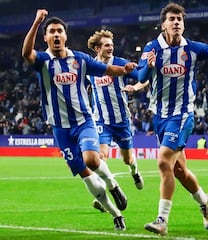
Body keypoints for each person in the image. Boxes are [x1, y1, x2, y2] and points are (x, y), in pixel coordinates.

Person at [21, 9, 138, 231]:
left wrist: (125, 69)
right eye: (51, 32)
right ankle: (116, 214)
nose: (56, 35)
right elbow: (27, 53)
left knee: (93, 161)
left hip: (84, 122)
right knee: (86, 176)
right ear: (46, 38)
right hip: (61, 129)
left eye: (59, 31)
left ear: (65, 36)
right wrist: (36, 22)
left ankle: (113, 184)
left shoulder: (80, 60)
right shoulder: (43, 61)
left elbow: (107, 69)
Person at [137, 2, 208, 235]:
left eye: (180, 19)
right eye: (172, 19)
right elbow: (140, 74)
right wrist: (148, 68)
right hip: (159, 116)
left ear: (183, 24)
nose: (176, 22)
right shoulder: (152, 48)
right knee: (178, 171)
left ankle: (162, 219)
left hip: (182, 114)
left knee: (162, 162)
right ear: (163, 24)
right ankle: (204, 201)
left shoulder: (193, 48)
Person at [86, 29, 146, 213]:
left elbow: (144, 78)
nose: (111, 48)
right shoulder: (89, 67)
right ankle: (107, 192)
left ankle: (134, 171)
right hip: (102, 121)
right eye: (106, 45)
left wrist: (134, 87)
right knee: (99, 156)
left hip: (122, 121)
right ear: (97, 48)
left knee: (127, 159)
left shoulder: (120, 64)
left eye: (112, 45)